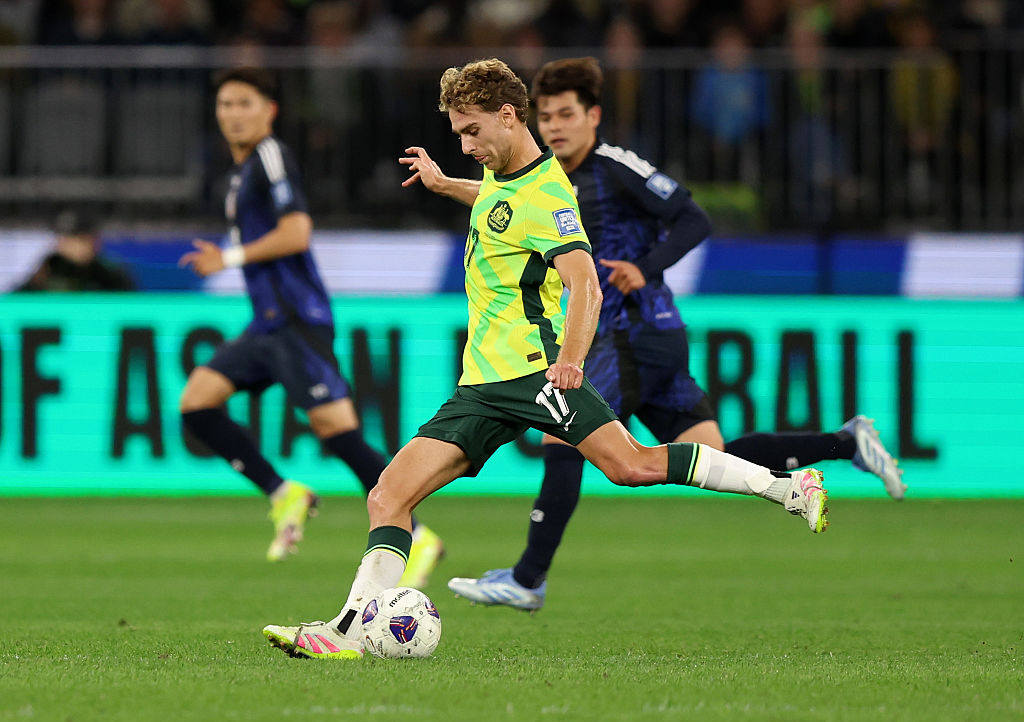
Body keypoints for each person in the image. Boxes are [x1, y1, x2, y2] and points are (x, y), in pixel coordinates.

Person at [262, 58, 828, 661]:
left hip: (535, 372)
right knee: (388, 496)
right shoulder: (506, 178)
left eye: (472, 130)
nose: (465, 145)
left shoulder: (550, 194)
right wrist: (446, 184)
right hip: (482, 385)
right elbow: (499, 206)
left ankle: (786, 487)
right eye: (458, 133)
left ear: (508, 116)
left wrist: (572, 359)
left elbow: (586, 284)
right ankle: (346, 632)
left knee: (630, 466)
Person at [446, 57, 905, 612]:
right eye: (546, 117)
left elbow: (695, 219)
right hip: (650, 336)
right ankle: (846, 443)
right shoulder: (540, 179)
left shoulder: (615, 167)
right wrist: (446, 184)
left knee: (562, 437)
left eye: (567, 114)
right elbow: (500, 207)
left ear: (593, 117)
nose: (555, 127)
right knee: (712, 454)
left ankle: (527, 578)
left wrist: (644, 267)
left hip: (629, 330)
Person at [178, 67, 443, 580]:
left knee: (339, 432)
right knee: (197, 403)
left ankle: (418, 536)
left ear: (270, 110)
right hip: (267, 324)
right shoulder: (237, 172)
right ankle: (284, 492)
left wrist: (228, 258)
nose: (233, 114)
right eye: (226, 104)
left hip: (297, 322)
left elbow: (297, 233)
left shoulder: (271, 157)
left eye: (245, 103)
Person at [16, 208, 135, 292]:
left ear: (91, 240)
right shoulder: (51, 266)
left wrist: (88, 264)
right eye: (64, 237)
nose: (69, 244)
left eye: (76, 238)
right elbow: (18, 299)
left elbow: (129, 298)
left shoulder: (107, 270)